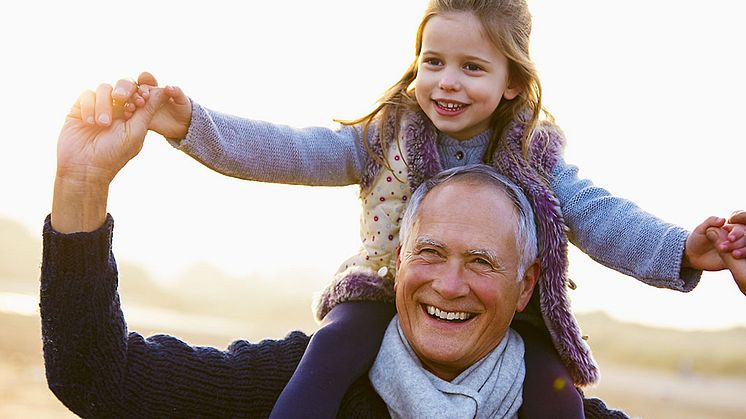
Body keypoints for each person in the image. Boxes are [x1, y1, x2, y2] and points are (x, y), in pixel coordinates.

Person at [101, 0, 746, 417]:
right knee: (324, 363)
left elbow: (605, 220)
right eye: (432, 62)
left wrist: (685, 249)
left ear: (512, 82)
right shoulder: (385, 138)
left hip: (507, 314)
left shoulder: (534, 156)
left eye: (471, 67)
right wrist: (192, 125)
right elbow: (292, 152)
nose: (446, 81)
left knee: (560, 402)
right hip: (383, 291)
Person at [43, 88, 646, 416]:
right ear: (398, 260)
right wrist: (81, 187)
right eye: (430, 252)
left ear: (526, 285)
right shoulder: (304, 382)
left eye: (482, 262)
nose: (449, 284)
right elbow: (99, 378)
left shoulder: (557, 411)